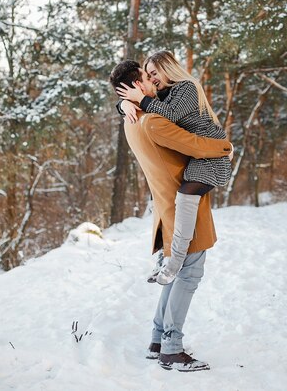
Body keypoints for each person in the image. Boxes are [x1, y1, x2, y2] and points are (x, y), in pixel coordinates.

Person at [109, 59, 232, 372]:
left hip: (166, 207)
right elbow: (195, 145)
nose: (153, 84)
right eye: (147, 79)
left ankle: (157, 339)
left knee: (175, 276)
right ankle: (172, 349)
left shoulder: (132, 120)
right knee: (188, 275)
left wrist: (124, 104)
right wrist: (224, 148)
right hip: (181, 207)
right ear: (137, 86)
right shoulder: (152, 121)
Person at [116, 50, 232, 285]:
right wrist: (124, 103)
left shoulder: (187, 87)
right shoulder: (163, 94)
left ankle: (175, 261)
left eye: (154, 72)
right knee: (175, 200)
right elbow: (149, 104)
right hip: (197, 155)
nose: (152, 78)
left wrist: (140, 99)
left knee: (185, 195)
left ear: (167, 68)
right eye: (148, 74)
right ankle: (167, 255)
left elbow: (169, 115)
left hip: (212, 154)